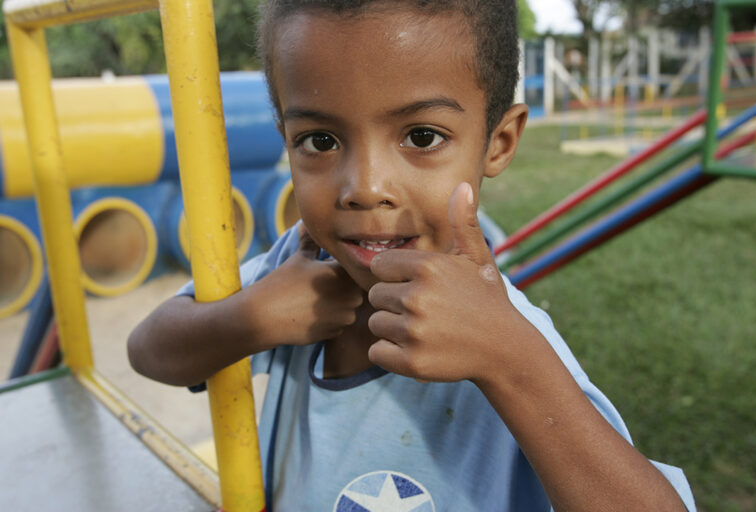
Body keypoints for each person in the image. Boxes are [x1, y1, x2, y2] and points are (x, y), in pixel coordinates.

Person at [128, 1, 696, 510]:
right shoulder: (298, 264)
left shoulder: (509, 338)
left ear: (498, 143)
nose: (365, 186)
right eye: (320, 141)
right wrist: (248, 318)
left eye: (421, 137)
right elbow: (150, 352)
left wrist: (511, 365)